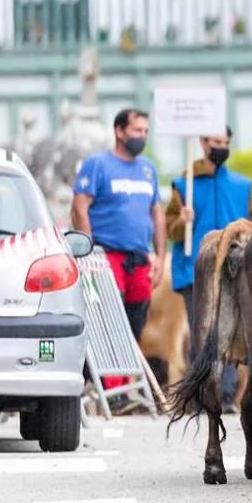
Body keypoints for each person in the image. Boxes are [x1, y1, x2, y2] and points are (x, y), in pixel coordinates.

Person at [163, 126, 252, 410]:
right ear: (203, 143)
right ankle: (201, 395)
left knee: (231, 331)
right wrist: (180, 221)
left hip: (234, 270)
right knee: (202, 333)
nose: (221, 146)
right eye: (216, 141)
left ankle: (226, 395)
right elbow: (168, 230)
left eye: (225, 142)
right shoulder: (183, 185)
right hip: (194, 270)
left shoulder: (243, 186)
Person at [71, 108, 166, 346]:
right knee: (106, 319)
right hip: (106, 255)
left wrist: (161, 258)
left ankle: (126, 378)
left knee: (136, 321)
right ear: (119, 131)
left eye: (145, 131)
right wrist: (88, 252)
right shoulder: (97, 164)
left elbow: (157, 212)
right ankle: (105, 380)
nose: (142, 136)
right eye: (137, 130)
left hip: (139, 258)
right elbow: (79, 207)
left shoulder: (148, 169)